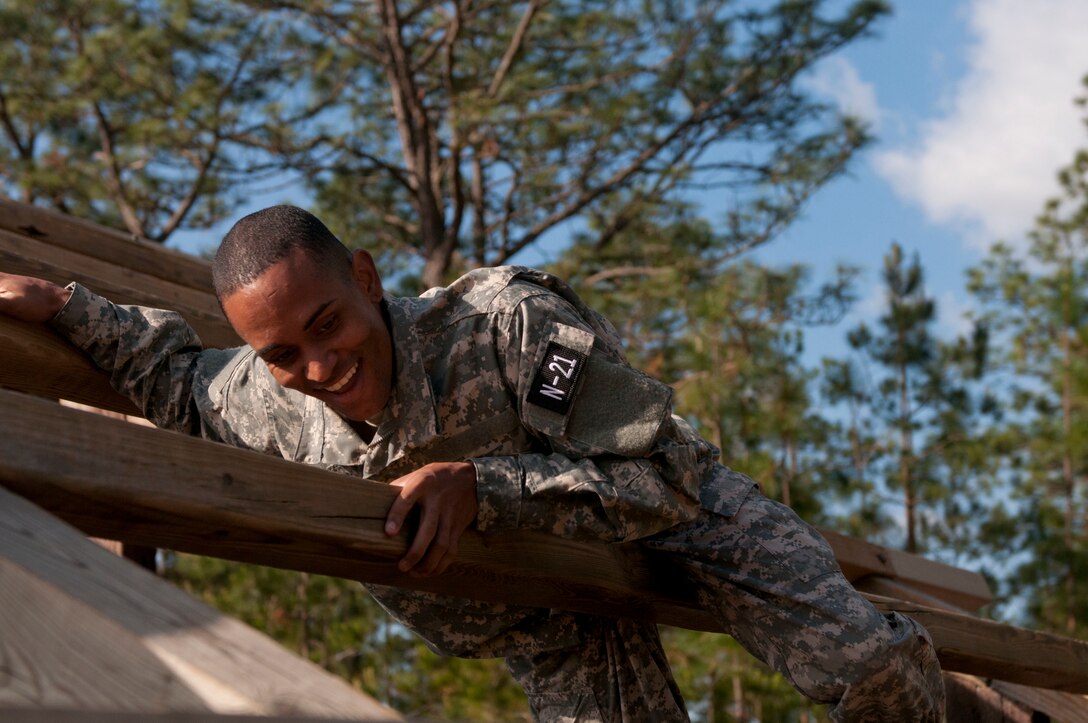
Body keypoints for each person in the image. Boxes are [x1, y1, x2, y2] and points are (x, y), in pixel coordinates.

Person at [0, 205, 944, 721]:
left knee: (864, 666)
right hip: (547, 615)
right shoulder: (268, 392)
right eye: (282, 353)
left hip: (684, 519)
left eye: (326, 323)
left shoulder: (510, 326)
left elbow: (655, 478)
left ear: (367, 277)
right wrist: (69, 306)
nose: (317, 367)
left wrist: (483, 489)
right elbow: (177, 383)